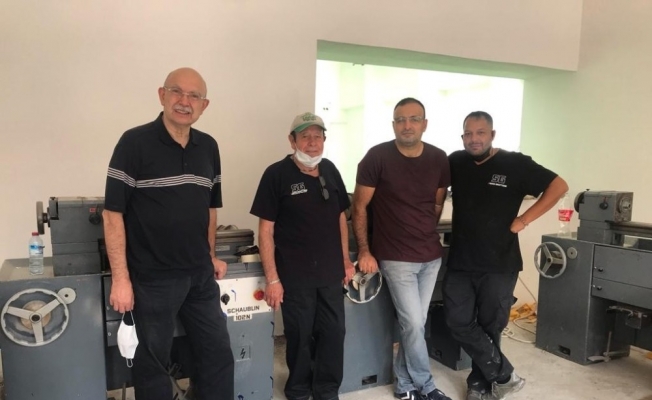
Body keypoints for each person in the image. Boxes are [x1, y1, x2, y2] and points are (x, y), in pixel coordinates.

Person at [103, 67, 234, 400]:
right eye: (177, 91)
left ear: (204, 105)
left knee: (217, 355)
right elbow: (112, 214)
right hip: (152, 278)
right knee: (152, 365)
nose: (184, 101)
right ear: (162, 95)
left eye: (194, 96)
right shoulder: (134, 142)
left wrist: (210, 255)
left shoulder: (208, 147)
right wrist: (121, 279)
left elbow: (209, 209)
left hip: (199, 276)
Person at [444, 111, 568, 400]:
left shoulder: (515, 163)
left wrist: (524, 220)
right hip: (461, 261)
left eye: (480, 133)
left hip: (500, 263)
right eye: (468, 134)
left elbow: (559, 186)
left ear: (492, 135)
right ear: (462, 137)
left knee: (491, 327)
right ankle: (505, 375)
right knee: (457, 321)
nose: (474, 139)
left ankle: (479, 385)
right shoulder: (456, 162)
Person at [250, 112, 355, 400]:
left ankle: (327, 390)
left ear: (324, 140)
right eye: (305, 136)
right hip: (295, 276)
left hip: (330, 273)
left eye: (317, 136)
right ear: (292, 140)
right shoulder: (276, 174)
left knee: (334, 333)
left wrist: (345, 260)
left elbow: (340, 218)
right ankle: (298, 390)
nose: (312, 142)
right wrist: (272, 279)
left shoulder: (330, 170)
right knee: (300, 335)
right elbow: (265, 230)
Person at [352, 98, 452, 400]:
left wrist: (423, 229)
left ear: (424, 124)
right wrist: (365, 250)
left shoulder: (438, 158)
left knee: (415, 324)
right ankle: (427, 386)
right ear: (393, 124)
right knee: (413, 323)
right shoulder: (377, 157)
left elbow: (436, 203)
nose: (407, 125)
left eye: (414, 119)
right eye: (400, 120)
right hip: (396, 257)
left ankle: (405, 385)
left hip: (430, 257)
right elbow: (359, 207)